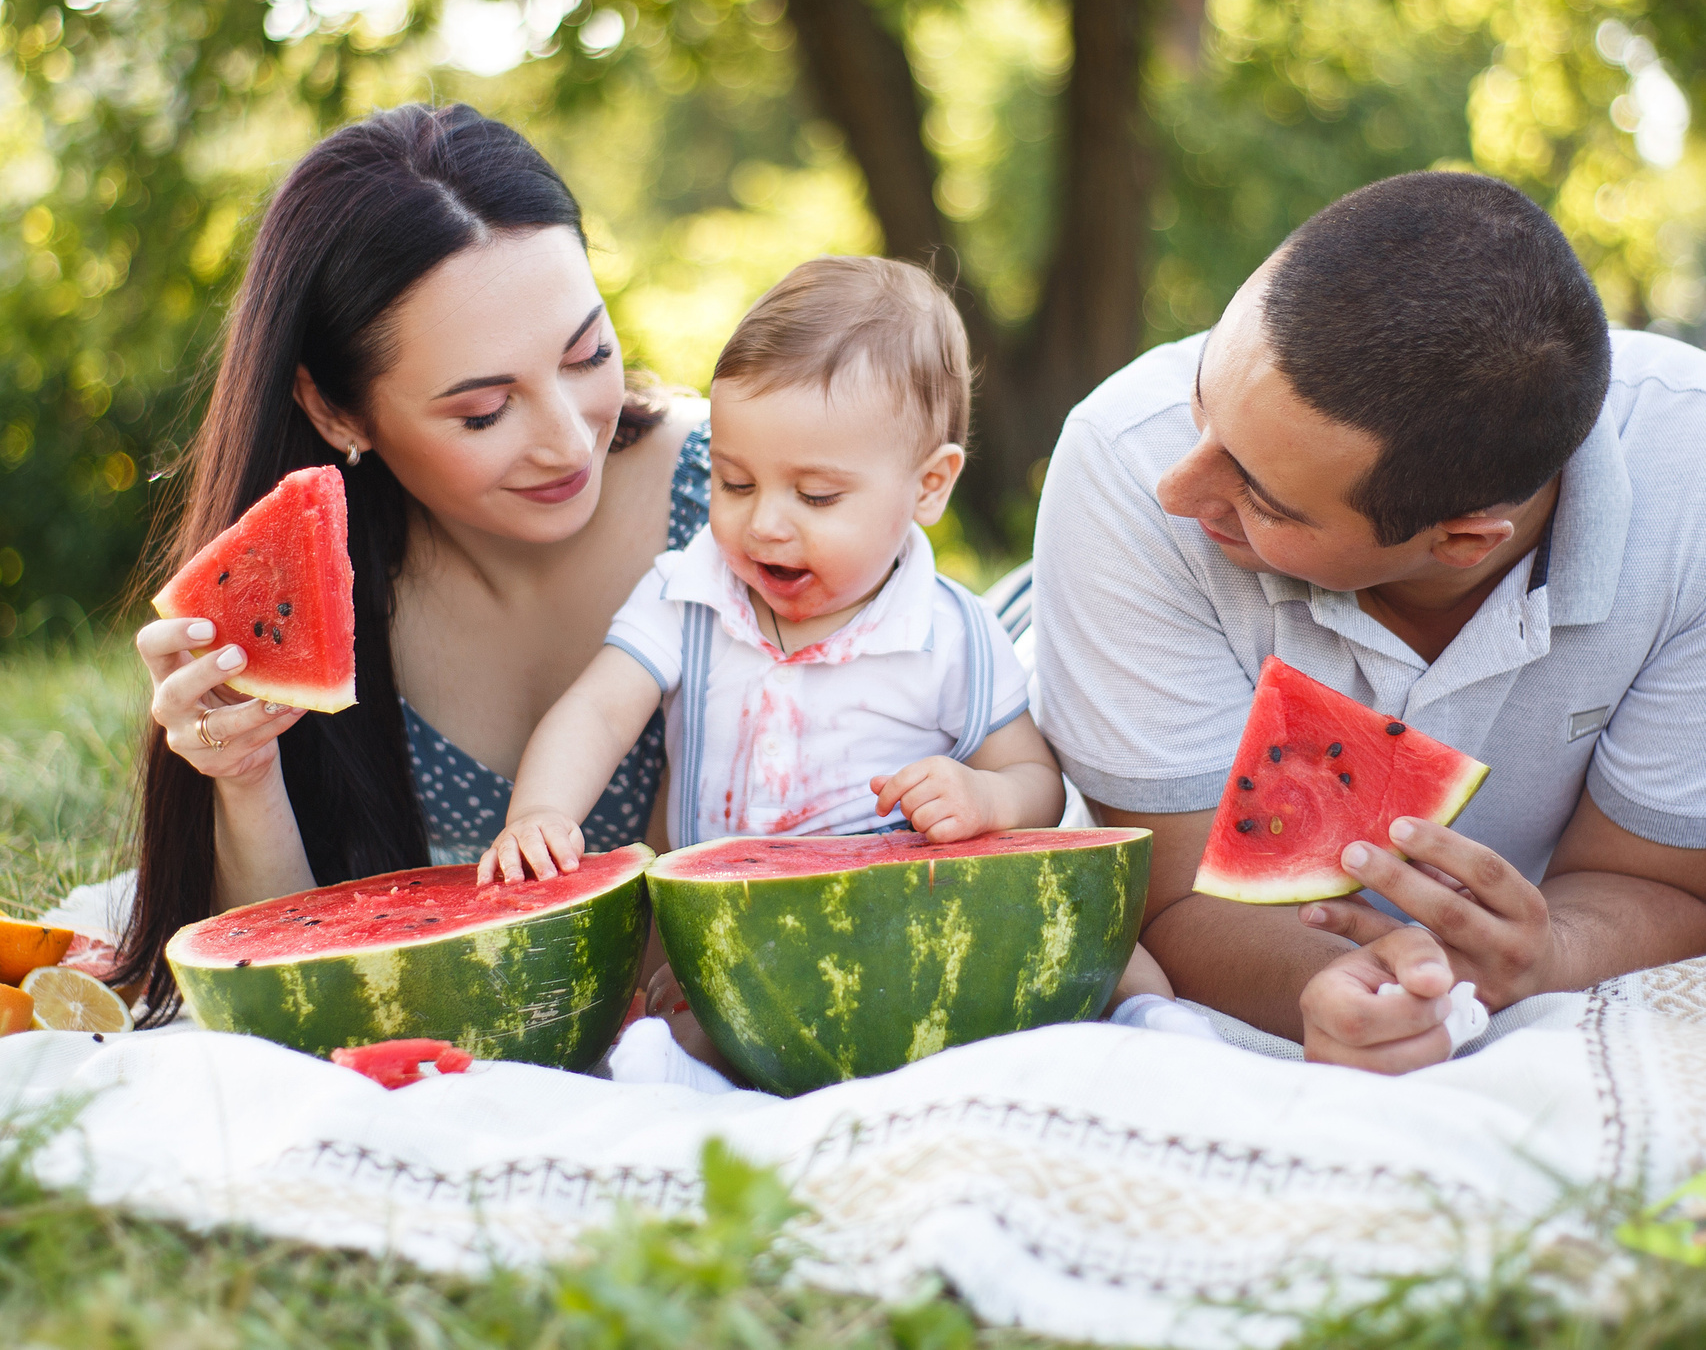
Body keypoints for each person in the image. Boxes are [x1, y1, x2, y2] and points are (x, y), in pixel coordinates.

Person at [1032, 171, 1706, 1073]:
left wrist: (1550, 955)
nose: (1179, 488)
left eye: (1261, 498)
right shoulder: (1122, 459)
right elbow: (1173, 901)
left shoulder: (1691, 494)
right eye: (1205, 398)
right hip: (1059, 648)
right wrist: (1332, 987)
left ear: (1464, 540)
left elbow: (1655, 878)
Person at [123, 104, 710, 1018]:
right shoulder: (317, 584)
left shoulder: (740, 498)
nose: (567, 442)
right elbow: (285, 965)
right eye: (483, 412)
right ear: (337, 412)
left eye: (589, 353)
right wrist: (245, 774)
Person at [480, 256, 1069, 883]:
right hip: (715, 929)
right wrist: (541, 811)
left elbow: (1037, 781)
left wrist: (986, 798)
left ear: (928, 486)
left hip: (892, 933)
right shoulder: (688, 595)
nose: (764, 524)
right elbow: (597, 712)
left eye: (815, 496)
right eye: (735, 483)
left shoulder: (951, 632)